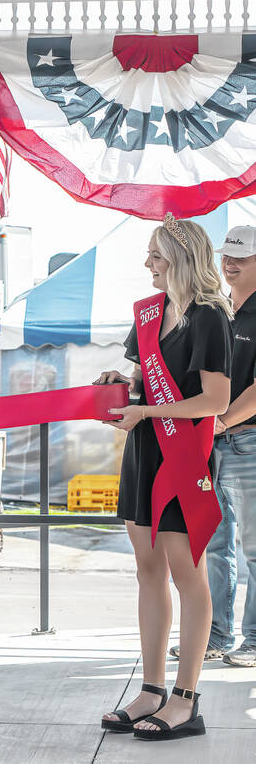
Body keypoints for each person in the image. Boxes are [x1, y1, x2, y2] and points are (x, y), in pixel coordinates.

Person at [97, 217, 232, 740]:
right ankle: (151, 690)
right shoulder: (150, 312)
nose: (147, 263)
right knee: (147, 570)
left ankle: (185, 698)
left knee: (187, 574)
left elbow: (215, 402)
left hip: (183, 460)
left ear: (180, 257)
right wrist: (119, 382)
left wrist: (147, 414)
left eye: (155, 255)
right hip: (143, 454)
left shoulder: (209, 316)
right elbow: (142, 379)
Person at [192, 225, 256, 667]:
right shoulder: (215, 309)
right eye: (226, 255)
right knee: (214, 545)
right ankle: (215, 636)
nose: (229, 263)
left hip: (245, 440)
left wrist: (224, 421)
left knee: (253, 547)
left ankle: (252, 640)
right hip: (212, 440)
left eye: (242, 257)